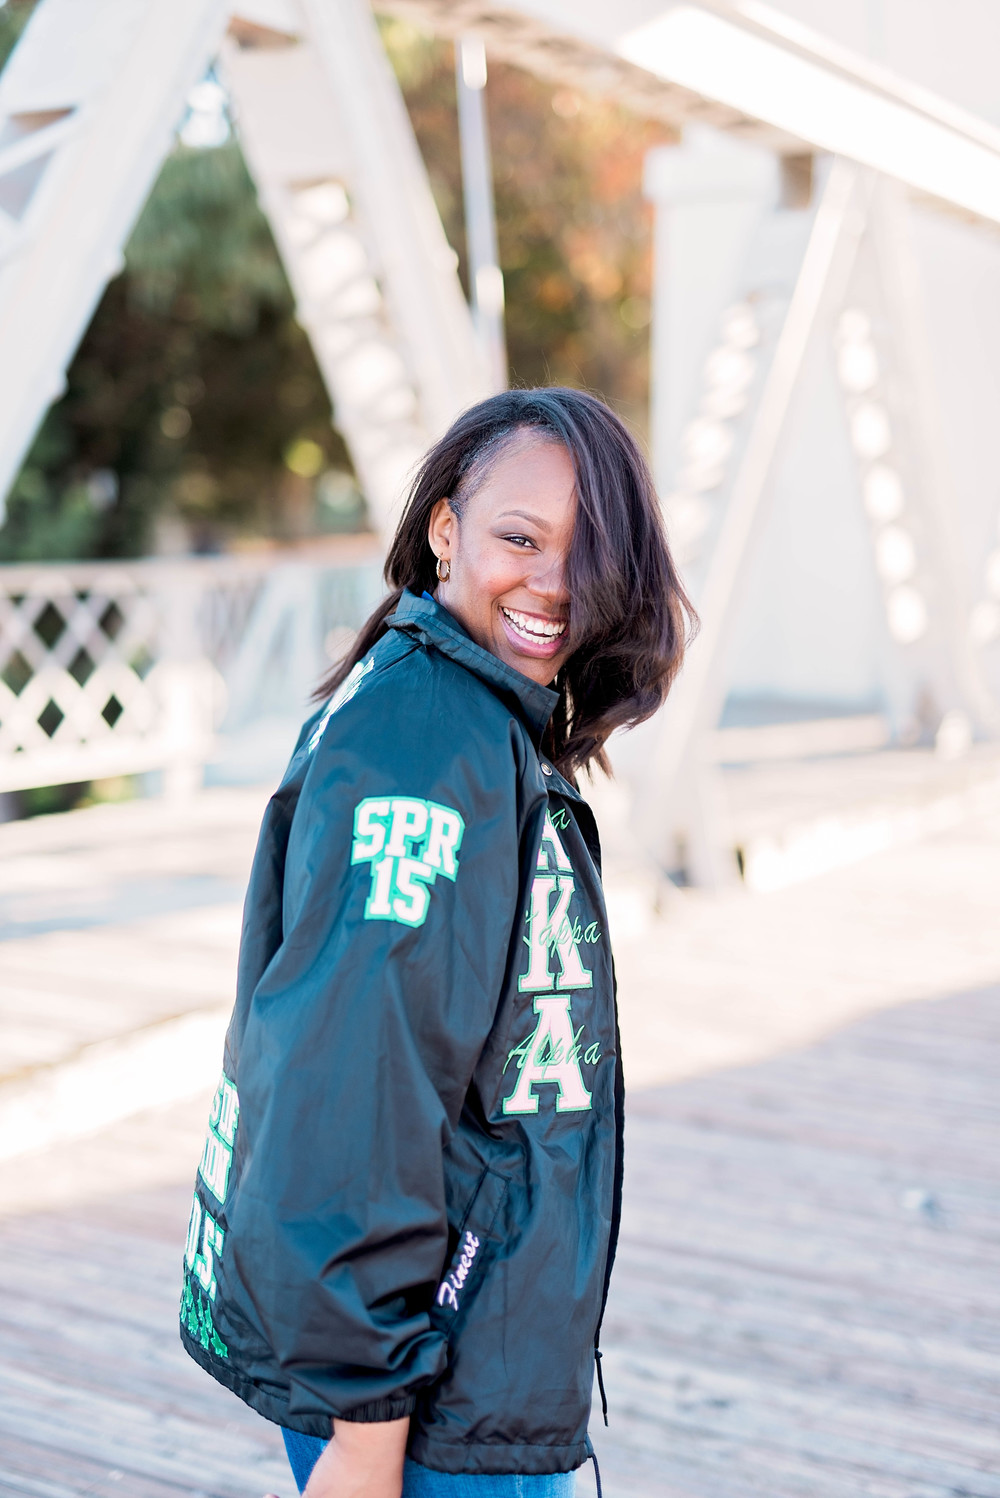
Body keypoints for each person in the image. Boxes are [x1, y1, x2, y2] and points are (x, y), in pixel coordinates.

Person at [179, 387, 694, 1498]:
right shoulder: (425, 744)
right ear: (444, 530)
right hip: (433, 1401)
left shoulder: (468, 716)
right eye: (520, 537)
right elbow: (354, 1084)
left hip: (470, 1372)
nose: (554, 582)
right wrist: (366, 1425)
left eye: (589, 549)